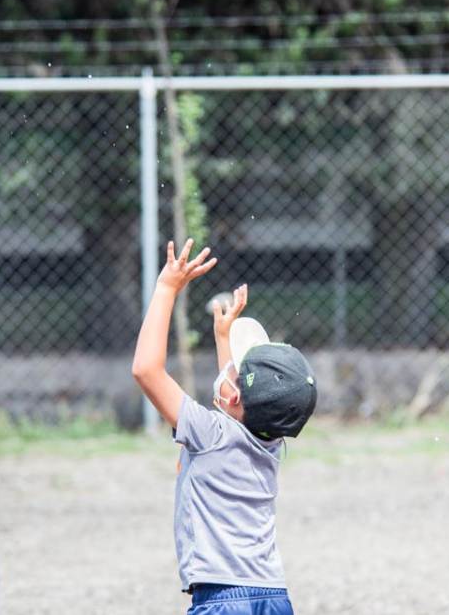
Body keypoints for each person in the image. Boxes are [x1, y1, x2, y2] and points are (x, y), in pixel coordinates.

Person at [131, 239, 318, 615]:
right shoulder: (270, 443)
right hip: (273, 596)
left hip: (221, 601)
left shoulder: (209, 434)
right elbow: (236, 401)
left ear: (233, 397)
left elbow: (146, 370)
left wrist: (166, 288)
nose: (230, 368)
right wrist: (223, 338)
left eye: (236, 371)